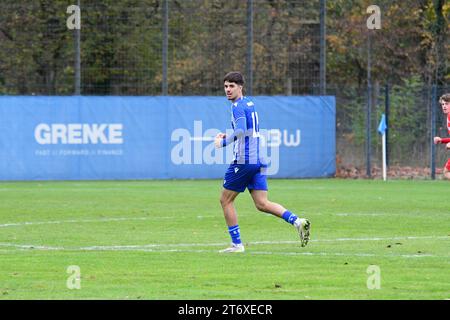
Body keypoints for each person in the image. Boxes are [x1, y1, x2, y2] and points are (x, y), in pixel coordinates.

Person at [214, 71, 310, 253]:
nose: (228, 90)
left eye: (232, 86)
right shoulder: (249, 103)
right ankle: (298, 221)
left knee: (225, 200)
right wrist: (229, 134)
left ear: (240, 87)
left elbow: (241, 130)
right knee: (262, 203)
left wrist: (223, 142)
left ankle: (237, 245)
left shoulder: (237, 107)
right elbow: (247, 130)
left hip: (244, 161)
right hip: (259, 159)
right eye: (226, 86)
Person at [433, 93, 450, 180]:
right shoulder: (448, 116)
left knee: (446, 172)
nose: (444, 106)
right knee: (446, 172)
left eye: (447, 104)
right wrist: (442, 140)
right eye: (443, 104)